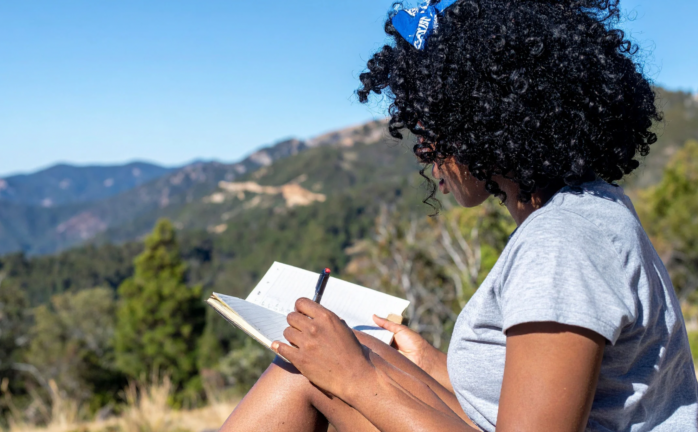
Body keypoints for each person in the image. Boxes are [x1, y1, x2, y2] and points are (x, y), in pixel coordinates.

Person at [219, 0, 698, 430]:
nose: (423, 153)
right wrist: (424, 362)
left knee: (304, 375)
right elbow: (509, 403)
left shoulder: (561, 245)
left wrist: (356, 379)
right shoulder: (588, 211)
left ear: (487, 122)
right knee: (340, 355)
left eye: (431, 132)